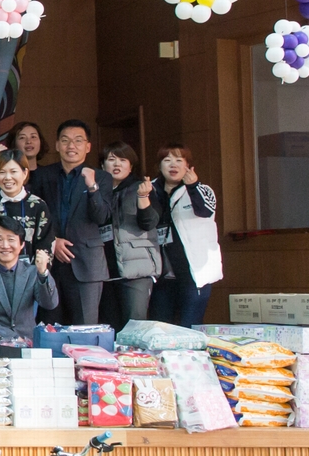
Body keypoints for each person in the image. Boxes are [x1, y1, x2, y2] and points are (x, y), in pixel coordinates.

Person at [31, 120, 111, 327]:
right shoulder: (42, 175)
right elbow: (35, 215)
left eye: (78, 141)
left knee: (85, 327)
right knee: (49, 327)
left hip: (86, 263)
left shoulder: (101, 177)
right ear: (57, 145)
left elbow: (102, 217)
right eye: (65, 140)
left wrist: (92, 187)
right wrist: (53, 240)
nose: (71, 146)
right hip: (50, 262)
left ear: (88, 146)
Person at [0, 219, 60, 355]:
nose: (5, 245)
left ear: (21, 244)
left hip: (28, 338)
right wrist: (12, 337)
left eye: (11, 239)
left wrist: (43, 272)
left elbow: (50, 304)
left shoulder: (32, 272)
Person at [152, 144, 222, 326]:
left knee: (189, 326)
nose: (173, 165)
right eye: (167, 160)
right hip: (162, 274)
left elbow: (206, 211)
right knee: (160, 328)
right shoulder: (150, 191)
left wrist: (193, 187)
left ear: (188, 166)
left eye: (178, 160)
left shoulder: (202, 190)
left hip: (194, 272)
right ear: (159, 166)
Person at [98, 142, 165, 328]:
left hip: (136, 271)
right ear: (102, 165)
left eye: (123, 160)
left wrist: (143, 198)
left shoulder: (141, 188)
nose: (117, 164)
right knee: (109, 327)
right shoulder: (98, 192)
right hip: (106, 270)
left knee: (134, 326)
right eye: (111, 159)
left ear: (131, 166)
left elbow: (149, 222)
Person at [0, 150, 54, 264]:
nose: (8, 177)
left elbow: (46, 244)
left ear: (25, 173)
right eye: (2, 172)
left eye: (13, 171)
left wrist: (38, 270)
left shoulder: (37, 205)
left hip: (29, 271)